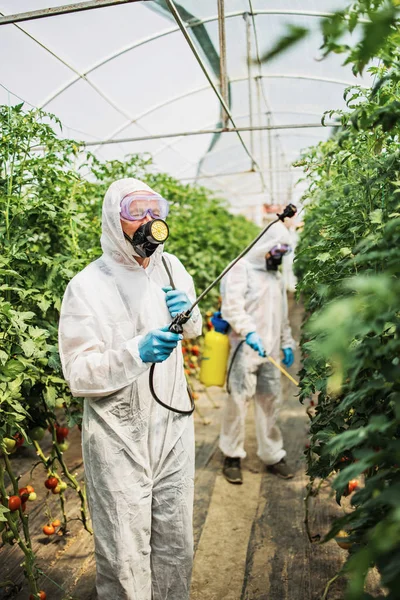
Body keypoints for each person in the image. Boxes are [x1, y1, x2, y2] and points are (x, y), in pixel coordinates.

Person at [58, 178, 202, 600]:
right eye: (135, 212)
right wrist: (135, 351)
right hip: (119, 435)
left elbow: (192, 328)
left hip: (173, 424)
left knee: (176, 541)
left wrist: (188, 314)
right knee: (124, 550)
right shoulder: (87, 286)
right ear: (112, 219)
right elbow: (79, 373)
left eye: (155, 211)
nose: (149, 222)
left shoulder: (172, 268)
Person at [218, 220, 296, 484]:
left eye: (282, 253)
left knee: (269, 402)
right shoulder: (240, 268)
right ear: (265, 245)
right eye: (276, 251)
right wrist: (249, 331)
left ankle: (273, 454)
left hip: (271, 350)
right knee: (238, 401)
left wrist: (286, 341)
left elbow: (281, 312)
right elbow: (232, 308)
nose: (278, 257)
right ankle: (231, 455)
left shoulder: (274, 274)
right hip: (245, 348)